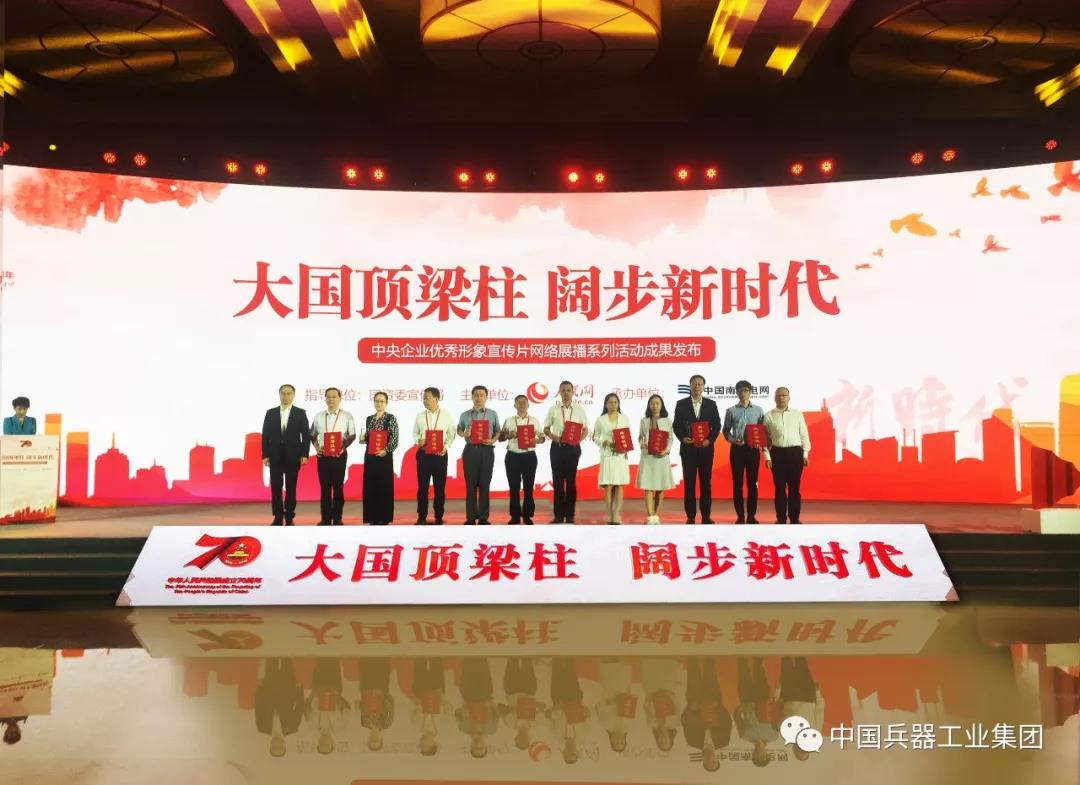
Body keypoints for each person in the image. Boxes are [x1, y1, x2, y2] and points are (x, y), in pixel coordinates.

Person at [672, 375, 722, 524]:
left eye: (700, 384)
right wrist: (682, 438)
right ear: (690, 386)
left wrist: (709, 440)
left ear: (704, 386)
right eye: (694, 384)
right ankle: (691, 516)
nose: (697, 386)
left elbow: (717, 425)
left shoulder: (711, 404)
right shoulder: (681, 404)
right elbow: (676, 425)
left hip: (706, 450)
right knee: (689, 483)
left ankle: (706, 516)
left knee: (706, 483)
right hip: (688, 449)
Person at [261, 384, 310, 526]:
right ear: (279, 394)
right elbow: (265, 435)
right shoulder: (271, 413)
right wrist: (265, 455)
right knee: (276, 486)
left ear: (293, 395)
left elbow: (306, 435)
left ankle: (289, 516)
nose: (286, 396)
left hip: (293, 455)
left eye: (289, 393)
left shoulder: (300, 413)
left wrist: (305, 454)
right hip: (274, 455)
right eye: (283, 393)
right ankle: (277, 516)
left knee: (291, 486)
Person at [542, 381, 589, 524]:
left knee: (570, 482)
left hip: (572, 449)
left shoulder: (579, 410)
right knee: (557, 482)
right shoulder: (553, 409)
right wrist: (552, 436)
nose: (566, 393)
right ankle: (558, 516)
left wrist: (578, 440)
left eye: (568, 390)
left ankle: (569, 515)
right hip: (557, 448)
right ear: (559, 393)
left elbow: (585, 429)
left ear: (573, 392)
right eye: (563, 390)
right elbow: (546, 428)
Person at [309, 387, 357, 526]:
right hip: (323, 456)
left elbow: (352, 435)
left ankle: (337, 518)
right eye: (328, 397)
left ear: (340, 398)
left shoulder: (347, 416)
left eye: (334, 396)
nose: (331, 399)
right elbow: (312, 435)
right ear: (325, 399)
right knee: (324, 488)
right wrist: (317, 448)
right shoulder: (319, 416)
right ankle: (325, 519)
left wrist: (342, 448)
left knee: (338, 487)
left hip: (339, 456)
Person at [763, 387, 811, 525]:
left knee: (794, 487)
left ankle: (794, 517)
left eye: (784, 395)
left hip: (795, 453)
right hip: (777, 453)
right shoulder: (768, 416)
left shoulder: (797, 414)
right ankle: (781, 518)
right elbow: (764, 440)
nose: (781, 398)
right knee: (779, 488)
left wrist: (805, 454)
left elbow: (804, 434)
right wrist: (767, 457)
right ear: (774, 398)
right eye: (778, 395)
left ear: (789, 398)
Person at [723, 381, 766, 524]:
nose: (743, 393)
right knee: (737, 484)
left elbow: (762, 429)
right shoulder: (731, 410)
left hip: (753, 450)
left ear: (750, 392)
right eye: (740, 391)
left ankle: (751, 515)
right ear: (736, 392)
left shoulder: (758, 410)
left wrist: (760, 441)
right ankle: (740, 516)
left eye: (746, 390)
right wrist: (732, 440)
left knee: (753, 483)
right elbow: (725, 430)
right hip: (737, 450)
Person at [457, 386, 500, 525]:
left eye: (482, 395)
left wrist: (493, 440)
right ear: (472, 397)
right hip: (470, 450)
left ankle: (483, 517)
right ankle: (470, 517)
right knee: (470, 485)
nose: (479, 398)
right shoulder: (465, 415)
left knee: (484, 484)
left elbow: (498, 431)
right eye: (476, 395)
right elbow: (459, 429)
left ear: (486, 397)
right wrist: (464, 433)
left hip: (487, 450)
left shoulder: (492, 414)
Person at [412, 387, 455, 525]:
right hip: (423, 455)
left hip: (439, 455)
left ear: (436, 399)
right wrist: (419, 441)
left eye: (428, 397)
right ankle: (421, 517)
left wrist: (446, 447)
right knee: (422, 488)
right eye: (424, 398)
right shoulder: (420, 416)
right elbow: (415, 433)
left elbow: (451, 433)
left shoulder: (446, 415)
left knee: (439, 487)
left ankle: (439, 516)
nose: (425, 400)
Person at [681, 657, 732, 772]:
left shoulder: (692, 742)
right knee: (710, 670)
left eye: (708, 763)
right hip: (713, 700)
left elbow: (685, 721)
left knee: (693, 669)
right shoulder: (723, 741)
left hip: (695, 700)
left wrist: (690, 708)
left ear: (703, 761)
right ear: (717, 759)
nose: (710, 760)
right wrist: (718, 706)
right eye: (714, 762)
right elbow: (727, 722)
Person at [501, 394, 545, 525]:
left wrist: (536, 440)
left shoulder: (534, 420)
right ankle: (515, 516)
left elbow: (542, 438)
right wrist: (508, 435)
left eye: (524, 402)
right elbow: (501, 438)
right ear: (514, 405)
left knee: (528, 487)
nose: (521, 404)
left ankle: (527, 516)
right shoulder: (509, 420)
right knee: (513, 488)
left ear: (528, 405)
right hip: (512, 456)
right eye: (519, 402)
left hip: (529, 456)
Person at [593, 393, 632, 524]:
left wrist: (626, 448)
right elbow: (595, 436)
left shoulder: (624, 418)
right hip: (607, 455)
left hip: (620, 455)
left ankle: (616, 514)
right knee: (608, 485)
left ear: (618, 404)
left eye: (615, 402)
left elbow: (627, 437)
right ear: (606, 404)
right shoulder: (600, 419)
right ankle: (609, 514)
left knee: (619, 485)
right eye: (610, 402)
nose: (613, 404)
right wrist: (602, 442)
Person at [361, 392, 399, 525]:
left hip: (384, 457)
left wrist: (386, 450)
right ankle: (372, 517)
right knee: (370, 486)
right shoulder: (369, 419)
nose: (379, 403)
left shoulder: (391, 418)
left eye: (382, 401)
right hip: (370, 457)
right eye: (377, 401)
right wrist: (363, 438)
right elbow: (368, 438)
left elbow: (394, 439)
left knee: (384, 487)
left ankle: (384, 517)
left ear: (386, 403)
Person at [734, 656, 779, 767]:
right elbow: (776, 715)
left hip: (746, 698)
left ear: (753, 755)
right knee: (758, 668)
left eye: (758, 757)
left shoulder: (744, 735)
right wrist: (776, 695)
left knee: (743, 668)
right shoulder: (773, 736)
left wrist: (742, 707)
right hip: (763, 698)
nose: (760, 754)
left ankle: (741, 649)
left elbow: (736, 716)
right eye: (764, 756)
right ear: (768, 754)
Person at [636, 394, 675, 524]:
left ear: (661, 405)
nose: (655, 406)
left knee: (660, 487)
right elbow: (640, 436)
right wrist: (641, 443)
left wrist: (667, 450)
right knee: (647, 487)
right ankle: (650, 516)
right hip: (647, 457)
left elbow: (670, 439)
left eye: (657, 403)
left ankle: (656, 515)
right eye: (652, 403)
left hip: (661, 458)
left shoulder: (667, 421)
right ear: (649, 405)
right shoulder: (644, 421)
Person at [255, 658, 305, 757]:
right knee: (287, 660)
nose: (276, 744)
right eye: (279, 747)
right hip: (287, 689)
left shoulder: (262, 727)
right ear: (284, 745)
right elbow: (300, 708)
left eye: (274, 747)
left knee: (271, 660)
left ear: (270, 745)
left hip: (269, 688)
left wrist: (259, 689)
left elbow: (258, 707)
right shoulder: (292, 728)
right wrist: (299, 690)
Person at [778, 657, 824, 762]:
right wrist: (817, 693)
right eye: (805, 750)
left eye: (800, 751)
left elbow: (779, 713)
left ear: (794, 749)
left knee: (786, 662)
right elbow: (819, 712)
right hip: (808, 696)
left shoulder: (785, 733)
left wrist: (779, 693)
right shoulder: (815, 731)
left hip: (788, 696)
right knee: (801, 661)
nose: (802, 748)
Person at [304, 658, 350, 755]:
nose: (323, 742)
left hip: (317, 686)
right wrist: (337, 697)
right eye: (326, 744)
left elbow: (306, 706)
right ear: (332, 742)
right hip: (334, 686)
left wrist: (313, 696)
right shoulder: (341, 725)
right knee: (333, 660)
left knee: (320, 660)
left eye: (321, 744)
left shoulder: (311, 724)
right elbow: (347, 707)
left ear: (318, 742)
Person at [456, 658, 499, 759]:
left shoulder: (463, 728)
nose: (478, 745)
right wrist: (490, 703)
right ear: (485, 746)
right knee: (482, 661)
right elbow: (497, 713)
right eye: (481, 748)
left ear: (471, 746)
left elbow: (457, 712)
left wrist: (465, 709)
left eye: (475, 748)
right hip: (485, 693)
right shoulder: (492, 729)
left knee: (468, 661)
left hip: (467, 694)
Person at [596, 658, 637, 753]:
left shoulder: (605, 724)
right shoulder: (629, 726)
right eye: (622, 743)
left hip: (609, 691)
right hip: (623, 689)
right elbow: (632, 707)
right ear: (625, 740)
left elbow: (599, 706)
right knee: (622, 662)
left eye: (617, 743)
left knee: (608, 661)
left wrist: (610, 702)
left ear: (611, 740)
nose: (619, 741)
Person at [502, 656, 540, 751]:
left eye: (520, 740)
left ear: (516, 738)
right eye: (525, 740)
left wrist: (511, 710)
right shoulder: (535, 724)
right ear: (529, 739)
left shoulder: (510, 724)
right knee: (527, 659)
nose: (523, 738)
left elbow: (503, 709)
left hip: (512, 689)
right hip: (529, 690)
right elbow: (542, 710)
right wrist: (537, 707)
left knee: (512, 659)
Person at [358, 658, 395, 751]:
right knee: (381, 659)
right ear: (381, 739)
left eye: (371, 741)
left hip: (366, 686)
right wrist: (381, 694)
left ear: (368, 739)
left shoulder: (364, 723)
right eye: (376, 741)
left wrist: (358, 705)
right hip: (381, 685)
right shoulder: (386, 723)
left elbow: (362, 705)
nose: (373, 738)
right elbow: (391, 704)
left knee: (365, 660)